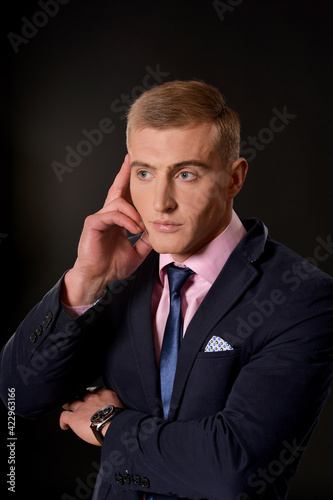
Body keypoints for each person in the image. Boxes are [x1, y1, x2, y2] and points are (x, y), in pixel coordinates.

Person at [1, 80, 332, 500]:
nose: (160, 203)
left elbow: (234, 471)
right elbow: (19, 397)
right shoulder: (116, 276)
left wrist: (108, 424)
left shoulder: (300, 298)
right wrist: (83, 281)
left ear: (234, 178)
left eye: (186, 174)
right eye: (144, 173)